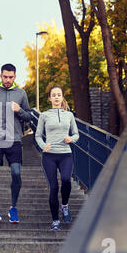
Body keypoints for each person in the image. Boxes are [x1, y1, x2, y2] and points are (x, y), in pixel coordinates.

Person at [0, 63, 32, 225]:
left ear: (15, 77)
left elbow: (29, 117)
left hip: (14, 139)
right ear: (0, 76)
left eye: (11, 77)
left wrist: (19, 110)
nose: (8, 80)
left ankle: (13, 208)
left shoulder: (21, 93)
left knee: (16, 173)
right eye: (5, 77)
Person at [35, 85, 79, 230]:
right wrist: (43, 146)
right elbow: (37, 135)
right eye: (53, 95)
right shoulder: (44, 115)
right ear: (50, 98)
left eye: (58, 94)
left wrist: (70, 139)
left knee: (66, 180)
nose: (56, 97)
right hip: (49, 156)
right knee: (53, 186)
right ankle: (55, 220)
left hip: (65, 154)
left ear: (62, 97)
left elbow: (76, 134)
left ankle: (65, 206)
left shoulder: (69, 115)